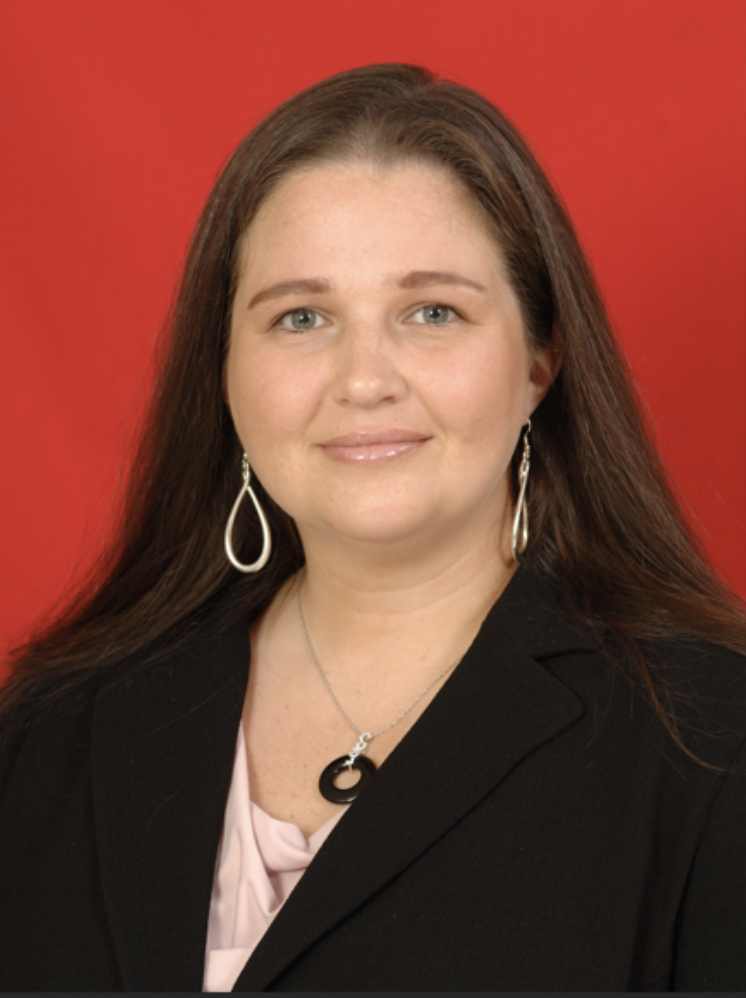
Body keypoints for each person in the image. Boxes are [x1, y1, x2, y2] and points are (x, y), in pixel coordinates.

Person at [0, 63, 744, 993]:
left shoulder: (712, 740)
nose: (363, 378)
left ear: (540, 364)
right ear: (224, 373)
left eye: (432, 312)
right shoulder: (57, 729)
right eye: (301, 317)